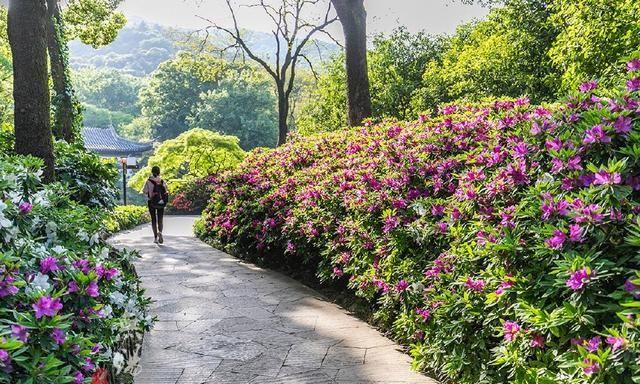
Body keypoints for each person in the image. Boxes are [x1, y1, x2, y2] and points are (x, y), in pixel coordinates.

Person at [142, 166, 168, 244]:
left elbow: (144, 191)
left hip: (152, 202)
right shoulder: (162, 181)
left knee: (153, 219)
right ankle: (160, 232)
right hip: (161, 202)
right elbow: (166, 191)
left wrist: (149, 196)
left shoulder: (148, 181)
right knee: (160, 218)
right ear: (159, 172)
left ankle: (155, 238)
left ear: (152, 172)